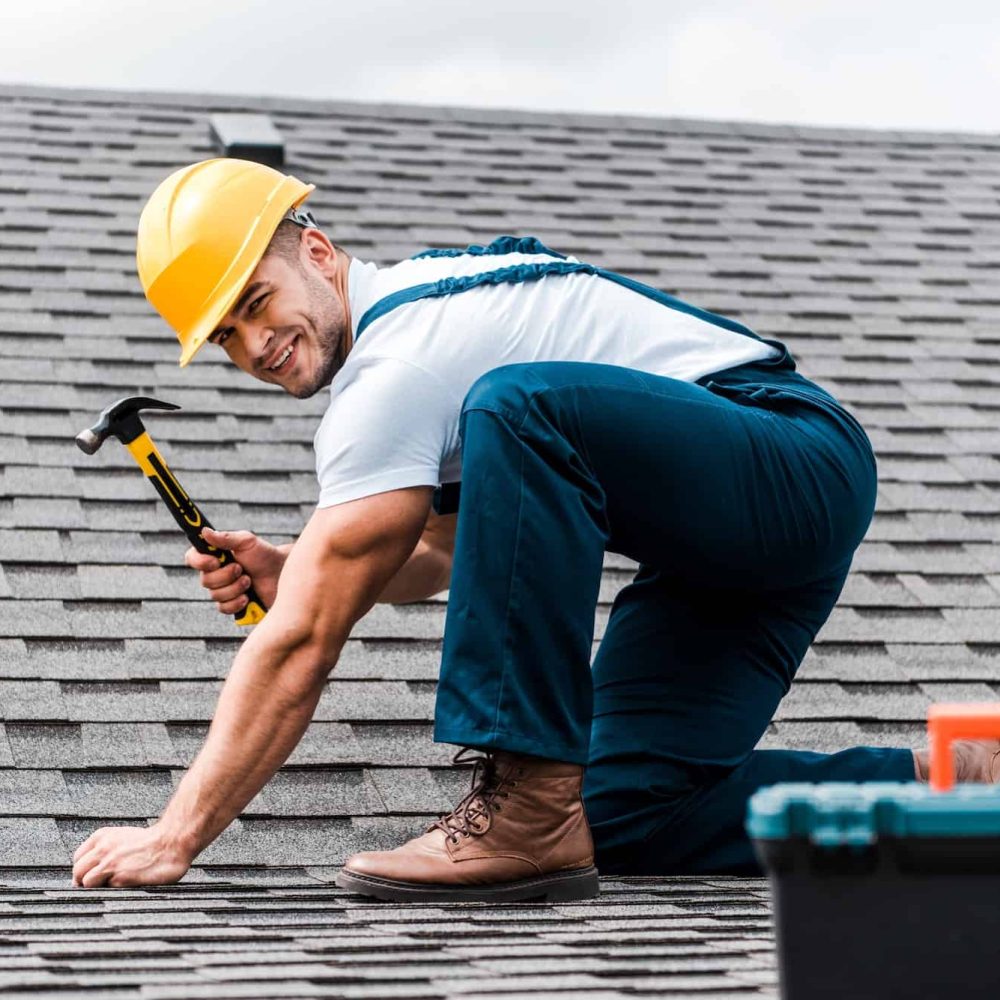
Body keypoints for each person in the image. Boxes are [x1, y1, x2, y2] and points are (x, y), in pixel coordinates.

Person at [70, 158, 1000, 898]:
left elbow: (307, 636)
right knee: (627, 810)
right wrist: (291, 560)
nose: (254, 344)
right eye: (224, 338)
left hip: (791, 455)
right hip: (724, 540)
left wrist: (175, 832)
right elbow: (435, 551)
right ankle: (961, 787)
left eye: (255, 301)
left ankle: (520, 800)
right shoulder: (419, 329)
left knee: (519, 406)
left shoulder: (400, 363)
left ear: (315, 250)